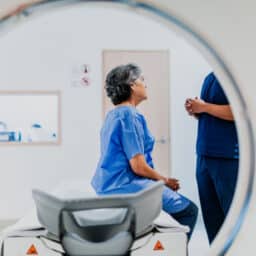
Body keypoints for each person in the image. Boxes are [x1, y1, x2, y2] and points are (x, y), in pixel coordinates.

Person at [91, 63, 198, 240]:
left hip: (106, 186)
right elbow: (138, 166)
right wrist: (165, 180)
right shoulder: (129, 115)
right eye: (142, 79)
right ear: (132, 85)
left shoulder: (113, 114)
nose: (145, 84)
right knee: (189, 211)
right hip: (126, 186)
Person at [185, 72, 239, 243]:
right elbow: (209, 111)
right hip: (204, 156)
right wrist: (195, 110)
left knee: (232, 220)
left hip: (227, 157)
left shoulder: (236, 74)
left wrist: (205, 107)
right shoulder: (210, 77)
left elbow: (241, 112)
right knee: (212, 219)